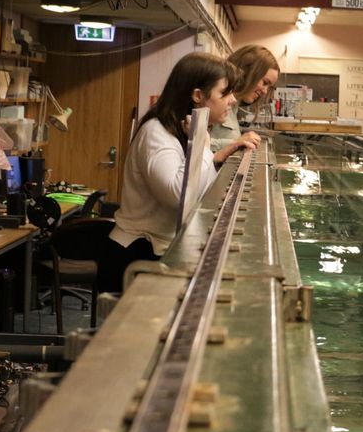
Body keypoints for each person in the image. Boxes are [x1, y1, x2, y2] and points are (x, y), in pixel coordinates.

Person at [100, 51, 255, 293]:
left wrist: (215, 157)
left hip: (159, 250)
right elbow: (177, 195)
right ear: (198, 96)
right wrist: (202, 146)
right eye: (225, 93)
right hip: (136, 254)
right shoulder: (156, 133)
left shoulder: (182, 131)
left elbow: (195, 186)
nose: (233, 100)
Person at [210, 44, 279, 152]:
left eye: (269, 87)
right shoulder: (214, 102)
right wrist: (236, 143)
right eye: (265, 83)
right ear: (247, 72)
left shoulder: (233, 107)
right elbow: (194, 146)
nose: (265, 92)